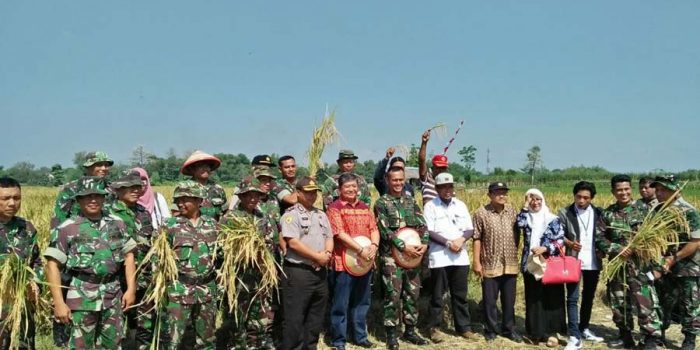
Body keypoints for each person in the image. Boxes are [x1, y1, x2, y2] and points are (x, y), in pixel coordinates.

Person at [44, 176, 137, 349]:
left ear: (104, 198)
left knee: (113, 344)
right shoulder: (67, 228)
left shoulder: (117, 223)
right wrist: (58, 303)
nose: (93, 200)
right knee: (80, 346)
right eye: (87, 196)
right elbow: (52, 266)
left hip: (112, 295)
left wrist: (131, 289)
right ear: (78, 200)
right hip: (81, 296)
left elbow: (129, 256)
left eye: (97, 196)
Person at [50, 151, 115, 347]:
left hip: (105, 252)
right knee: (69, 300)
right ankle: (64, 337)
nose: (103, 168)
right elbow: (58, 220)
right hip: (76, 255)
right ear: (86, 167)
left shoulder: (111, 190)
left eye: (106, 164)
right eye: (98, 164)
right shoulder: (71, 189)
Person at [596, 174, 663, 349]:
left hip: (640, 266)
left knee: (645, 302)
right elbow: (600, 238)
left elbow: (656, 233)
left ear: (630, 190)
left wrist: (641, 247)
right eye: (619, 190)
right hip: (617, 267)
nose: (623, 193)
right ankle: (625, 335)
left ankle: (649, 339)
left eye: (626, 189)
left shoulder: (644, 210)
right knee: (619, 304)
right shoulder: (608, 213)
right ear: (613, 192)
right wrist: (617, 248)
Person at [217, 181, 278, 350]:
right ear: (241, 196)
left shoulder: (263, 217)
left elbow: (272, 243)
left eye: (256, 195)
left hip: (260, 278)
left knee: (258, 320)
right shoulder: (230, 218)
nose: (252, 198)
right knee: (236, 319)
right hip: (238, 278)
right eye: (248, 195)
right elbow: (221, 248)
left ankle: (255, 345)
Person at [160, 180, 219, 349]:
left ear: (199, 201)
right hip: (179, 290)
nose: (180, 203)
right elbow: (159, 260)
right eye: (178, 199)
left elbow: (220, 256)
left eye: (185, 199)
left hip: (206, 291)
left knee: (207, 340)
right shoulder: (170, 225)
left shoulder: (212, 225)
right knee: (172, 340)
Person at [374, 167, 428, 349]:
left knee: (412, 294)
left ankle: (410, 331)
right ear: (388, 181)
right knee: (393, 296)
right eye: (394, 180)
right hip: (391, 258)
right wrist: (403, 247)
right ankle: (391, 334)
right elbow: (384, 230)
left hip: (413, 257)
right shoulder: (382, 202)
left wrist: (425, 243)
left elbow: (422, 224)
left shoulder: (411, 201)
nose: (398, 183)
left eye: (400, 180)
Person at [423, 172, 479, 344]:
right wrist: (448, 243)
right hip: (440, 257)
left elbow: (470, 229)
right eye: (443, 187)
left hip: (460, 257)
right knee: (437, 295)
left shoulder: (460, 205)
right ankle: (434, 328)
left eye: (450, 186)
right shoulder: (431, 206)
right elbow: (429, 231)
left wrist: (461, 240)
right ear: (437, 189)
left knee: (460, 294)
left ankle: (464, 328)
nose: (447, 190)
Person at [326, 173, 380, 350]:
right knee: (340, 304)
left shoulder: (365, 207)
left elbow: (374, 229)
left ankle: (360, 336)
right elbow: (339, 234)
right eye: (347, 187)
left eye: (354, 186)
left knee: (362, 302)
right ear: (340, 189)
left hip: (364, 263)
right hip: (343, 263)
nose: (351, 190)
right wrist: (361, 250)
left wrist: (373, 245)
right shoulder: (334, 208)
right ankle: (339, 341)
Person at [279, 177, 334, 350]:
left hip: (319, 273)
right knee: (294, 319)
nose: (312, 196)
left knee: (315, 318)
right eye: (308, 192)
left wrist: (327, 254)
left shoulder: (321, 214)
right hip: (298, 273)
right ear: (298, 193)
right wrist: (316, 258)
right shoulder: (290, 215)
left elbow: (329, 237)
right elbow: (293, 243)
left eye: (314, 192)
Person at [108, 171, 156, 350]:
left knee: (145, 325)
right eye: (130, 187)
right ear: (119, 189)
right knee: (117, 326)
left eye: (138, 187)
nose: (136, 190)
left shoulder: (143, 212)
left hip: (144, 278)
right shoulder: (109, 212)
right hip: (118, 281)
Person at [652, 175, 699, 350]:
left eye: (663, 190)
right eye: (657, 190)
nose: (659, 193)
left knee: (689, 304)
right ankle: (659, 334)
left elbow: (695, 242)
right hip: (664, 266)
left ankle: (689, 339)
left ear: (676, 190)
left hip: (687, 266)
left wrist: (675, 258)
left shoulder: (688, 211)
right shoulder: (657, 211)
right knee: (663, 301)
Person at [472, 182, 522, 343]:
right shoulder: (481, 213)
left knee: (509, 300)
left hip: (510, 262)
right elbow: (477, 238)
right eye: (498, 192)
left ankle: (509, 329)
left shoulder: (512, 212)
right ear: (490, 195)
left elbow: (518, 233)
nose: (502, 195)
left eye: (504, 192)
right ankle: (491, 330)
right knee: (490, 300)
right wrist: (477, 262)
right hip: (490, 262)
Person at [557, 181, 605, 349]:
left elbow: (607, 235)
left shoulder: (599, 213)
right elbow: (557, 234)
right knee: (572, 298)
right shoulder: (565, 213)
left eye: (586, 198)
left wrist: (603, 250)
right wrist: (569, 243)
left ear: (592, 198)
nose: (582, 201)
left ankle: (584, 328)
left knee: (588, 297)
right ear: (574, 196)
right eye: (579, 197)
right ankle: (574, 336)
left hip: (593, 261)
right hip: (573, 261)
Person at [516, 189, 567, 348]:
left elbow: (559, 241)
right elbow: (519, 223)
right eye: (531, 199)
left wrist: (545, 248)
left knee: (551, 298)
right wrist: (524, 207)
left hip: (549, 263)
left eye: (538, 199)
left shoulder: (553, 219)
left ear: (543, 200)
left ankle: (552, 333)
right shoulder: (527, 218)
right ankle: (536, 332)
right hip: (530, 264)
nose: (535, 202)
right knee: (534, 298)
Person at [0, 177, 42, 350]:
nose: (12, 203)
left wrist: (36, 282)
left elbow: (37, 261)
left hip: (23, 301)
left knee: (25, 343)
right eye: (6, 198)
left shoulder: (27, 227)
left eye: (17, 198)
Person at [181, 150, 227, 220]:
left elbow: (225, 212)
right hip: (191, 229)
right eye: (200, 166)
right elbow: (176, 213)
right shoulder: (184, 188)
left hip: (214, 229)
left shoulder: (218, 189)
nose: (205, 169)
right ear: (192, 169)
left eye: (207, 166)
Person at [418, 130, 449, 206]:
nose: (441, 170)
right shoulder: (427, 179)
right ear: (433, 167)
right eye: (439, 167)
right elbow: (421, 160)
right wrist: (424, 143)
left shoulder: (448, 185)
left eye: (443, 168)